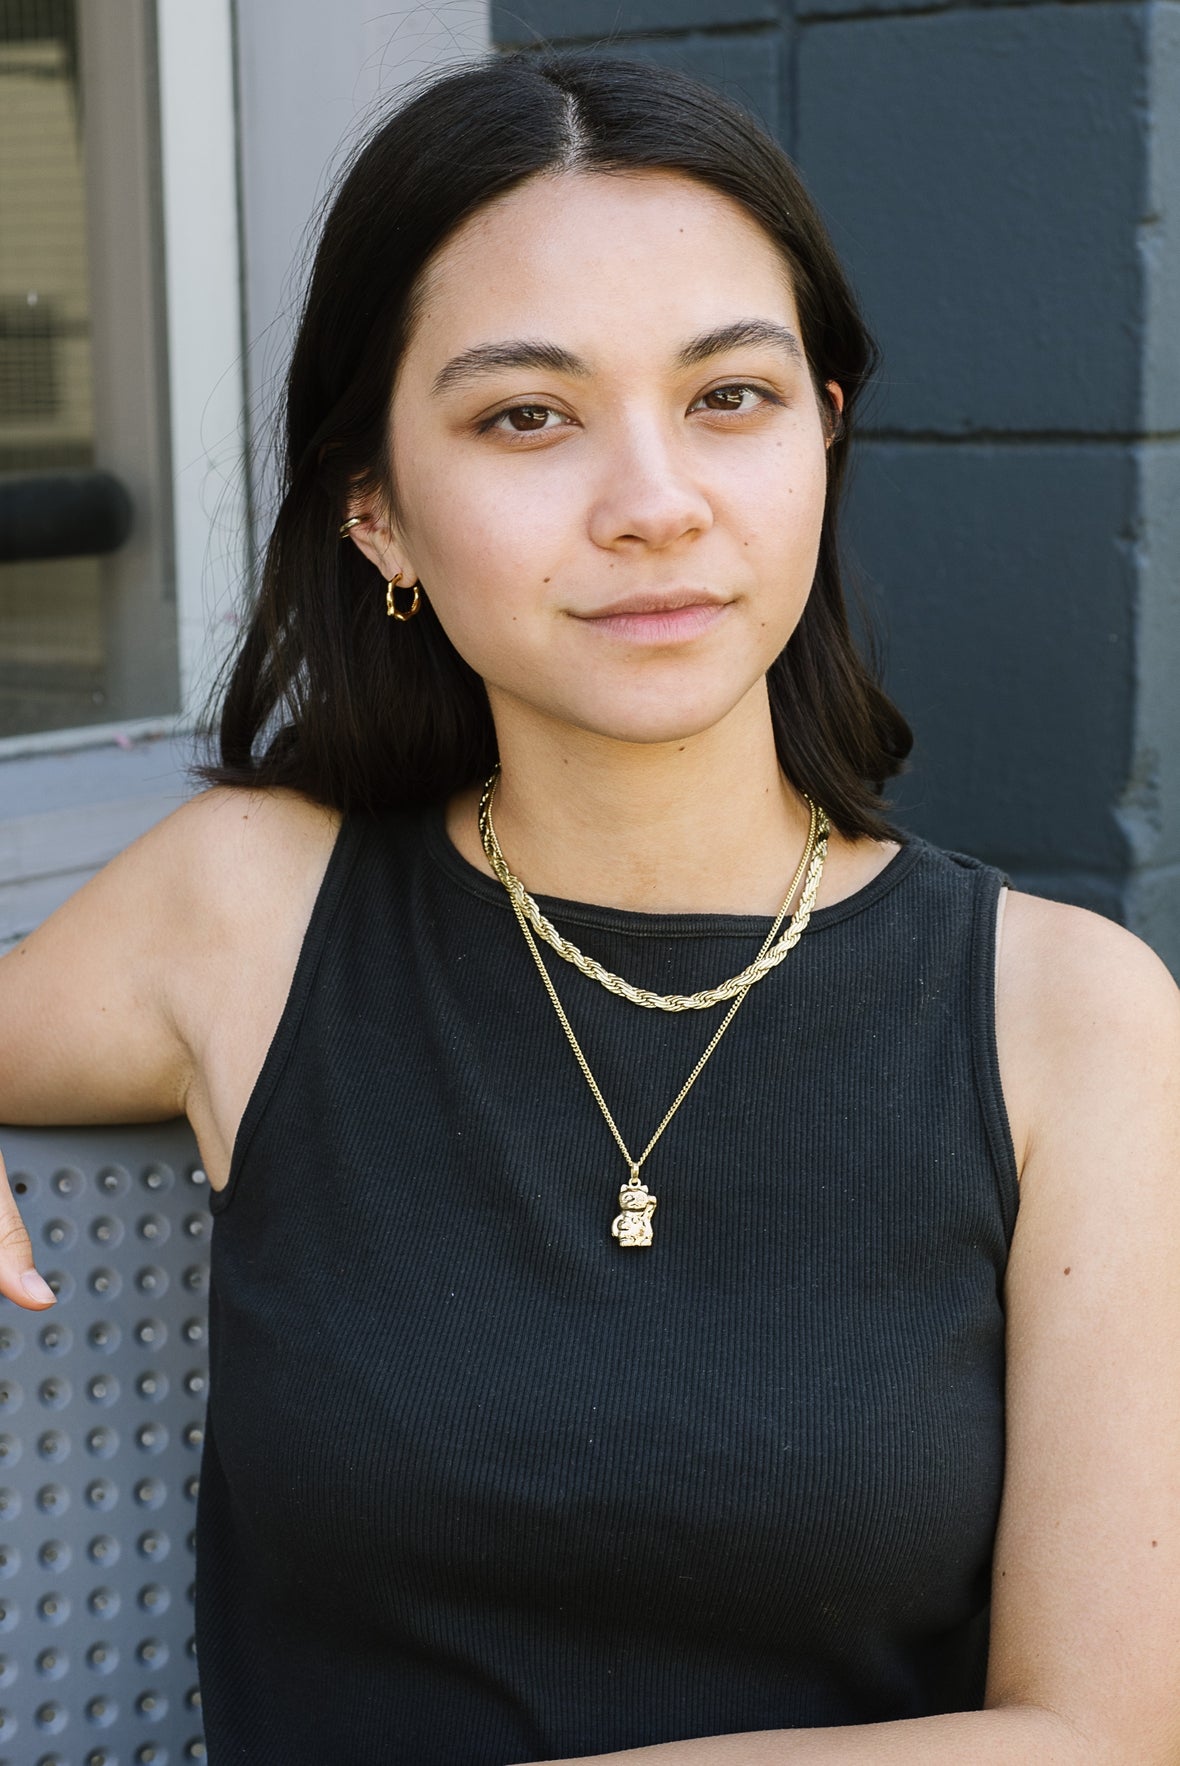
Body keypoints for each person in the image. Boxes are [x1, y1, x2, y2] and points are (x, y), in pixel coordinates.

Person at [0, 46, 1177, 1766]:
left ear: (823, 440)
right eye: (525, 416)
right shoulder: (248, 912)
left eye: (730, 397)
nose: (655, 505)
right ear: (376, 512)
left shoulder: (1070, 1020)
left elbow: (1111, 1726)